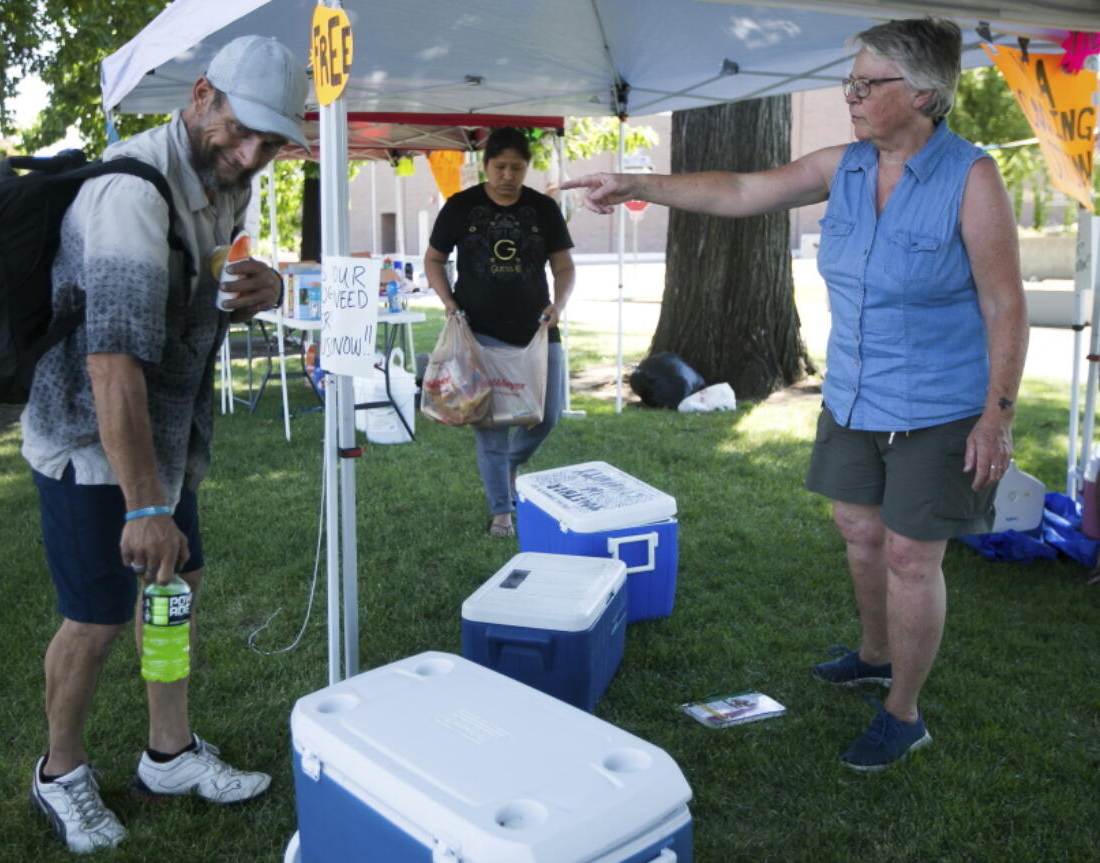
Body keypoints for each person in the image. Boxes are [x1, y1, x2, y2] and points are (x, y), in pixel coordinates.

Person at [564, 18, 1027, 771]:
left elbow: (1006, 303)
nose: (850, 94)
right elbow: (744, 189)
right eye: (852, 79)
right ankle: (875, 654)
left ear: (923, 93)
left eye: (866, 83)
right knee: (859, 529)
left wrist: (997, 414)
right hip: (852, 396)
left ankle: (903, 711)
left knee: (912, 555)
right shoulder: (844, 165)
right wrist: (637, 183)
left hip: (940, 405)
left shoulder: (971, 178)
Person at [21, 35, 308, 852]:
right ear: (201, 97)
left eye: (271, 140)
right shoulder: (130, 194)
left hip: (166, 434)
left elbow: (204, 287)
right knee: (98, 615)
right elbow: (111, 365)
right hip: (89, 439)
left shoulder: (223, 182)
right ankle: (61, 771)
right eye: (242, 129)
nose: (251, 153)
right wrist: (146, 504)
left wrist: (271, 286)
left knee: (176, 585)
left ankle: (169, 753)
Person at [424, 127, 576, 537]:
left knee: (546, 415)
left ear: (527, 167)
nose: (508, 175)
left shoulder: (543, 208)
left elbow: (564, 267)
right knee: (491, 423)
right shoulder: (460, 206)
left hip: (539, 329)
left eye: (517, 168)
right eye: (500, 167)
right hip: (479, 331)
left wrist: (558, 306)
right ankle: (501, 513)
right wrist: (448, 301)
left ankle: (509, 465)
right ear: (485, 165)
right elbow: (434, 259)